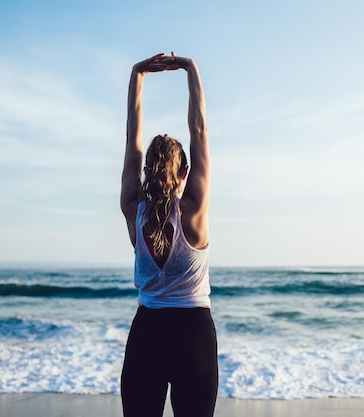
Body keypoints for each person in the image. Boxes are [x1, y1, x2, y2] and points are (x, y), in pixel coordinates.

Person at [119, 52, 217, 417]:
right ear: (185, 173)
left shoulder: (134, 208)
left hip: (147, 334)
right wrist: (191, 68)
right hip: (194, 336)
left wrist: (138, 74)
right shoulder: (194, 211)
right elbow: (200, 130)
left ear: (145, 171)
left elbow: (132, 138)